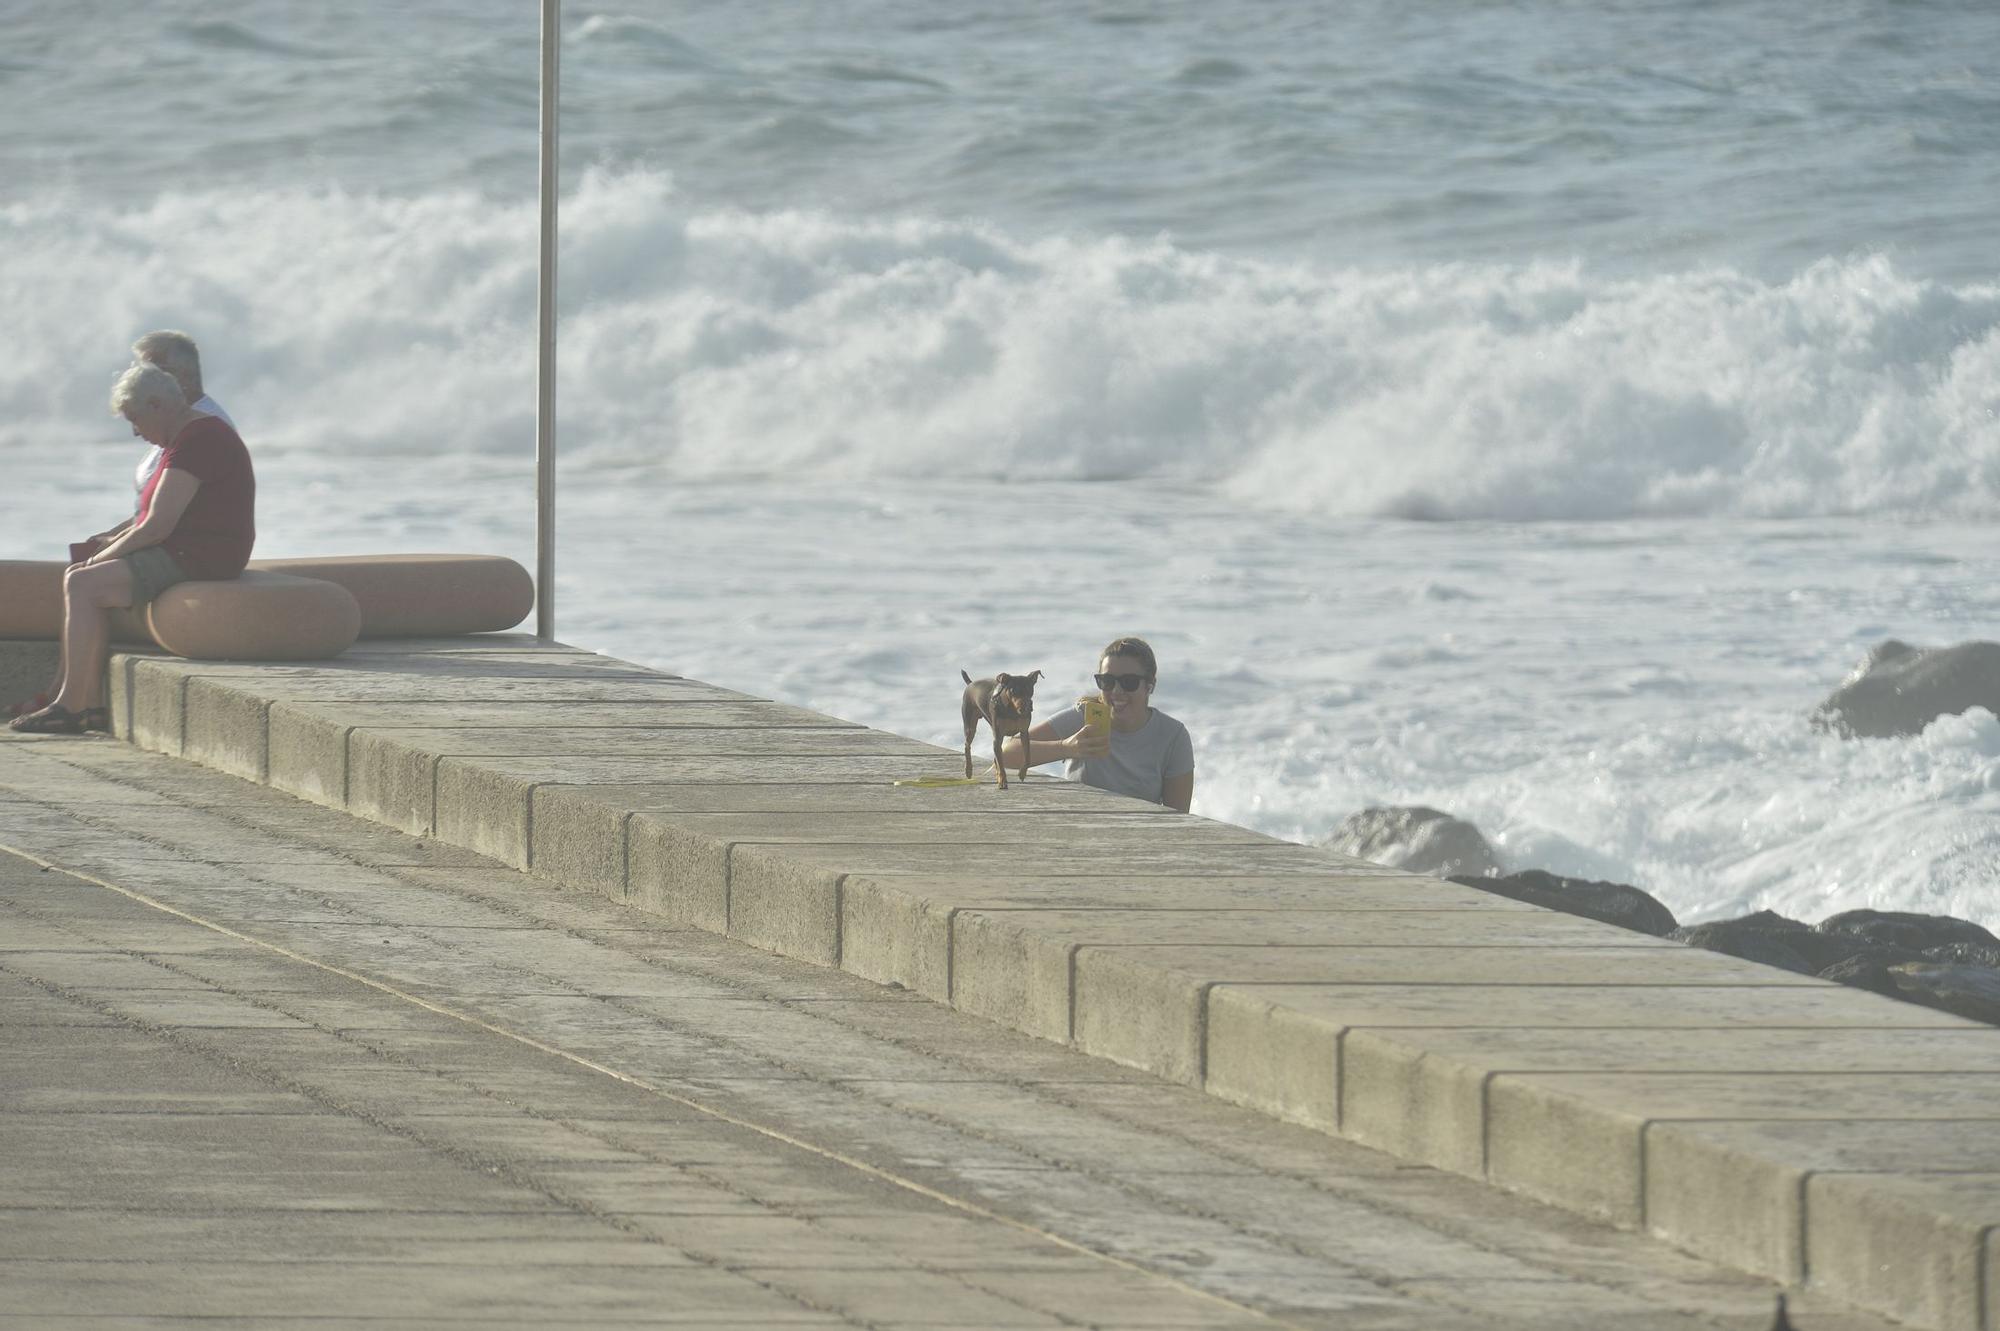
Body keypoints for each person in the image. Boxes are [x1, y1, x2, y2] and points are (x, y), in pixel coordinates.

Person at [10, 364, 256, 734]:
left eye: (135, 419)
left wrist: (100, 559)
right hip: (184, 547)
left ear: (157, 404)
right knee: (80, 573)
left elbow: (157, 527)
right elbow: (149, 516)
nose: (135, 431)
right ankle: (87, 703)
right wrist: (108, 540)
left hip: (203, 554)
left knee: (84, 583)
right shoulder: (185, 438)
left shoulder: (201, 439)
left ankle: (71, 707)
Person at [1000, 636, 1195, 812]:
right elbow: (1007, 753)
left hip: (1138, 838)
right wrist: (1066, 748)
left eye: (1129, 682)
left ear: (1150, 686)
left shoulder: (1172, 736)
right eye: (1107, 681)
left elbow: (1178, 817)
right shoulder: (1085, 717)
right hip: (1080, 831)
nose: (1117, 691)